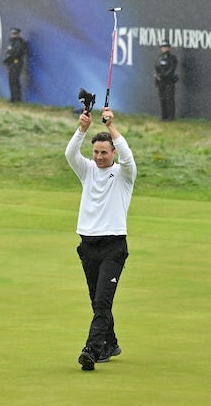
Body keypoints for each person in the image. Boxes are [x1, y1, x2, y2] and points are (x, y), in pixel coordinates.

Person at [64, 105, 136, 372]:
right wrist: (82, 129)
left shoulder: (124, 174)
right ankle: (111, 342)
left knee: (103, 301)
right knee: (98, 301)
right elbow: (70, 153)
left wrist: (110, 127)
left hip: (113, 246)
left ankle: (91, 350)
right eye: (96, 152)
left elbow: (128, 158)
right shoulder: (88, 170)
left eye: (104, 152)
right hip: (88, 245)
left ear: (113, 153)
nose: (99, 157)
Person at [154, 39, 179, 120]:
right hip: (161, 82)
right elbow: (157, 67)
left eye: (166, 47)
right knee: (162, 98)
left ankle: (171, 117)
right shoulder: (159, 58)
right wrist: (158, 76)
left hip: (169, 81)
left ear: (169, 48)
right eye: (163, 47)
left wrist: (164, 75)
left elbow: (172, 69)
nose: (164, 48)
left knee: (169, 99)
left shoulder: (172, 58)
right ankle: (164, 116)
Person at [2, 27, 27, 103]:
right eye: (13, 33)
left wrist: (8, 59)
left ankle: (17, 98)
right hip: (11, 64)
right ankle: (13, 97)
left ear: (18, 34)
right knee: (11, 81)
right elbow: (9, 52)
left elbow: (16, 53)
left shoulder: (20, 42)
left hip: (16, 63)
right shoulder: (11, 42)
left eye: (15, 33)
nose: (14, 35)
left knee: (15, 80)